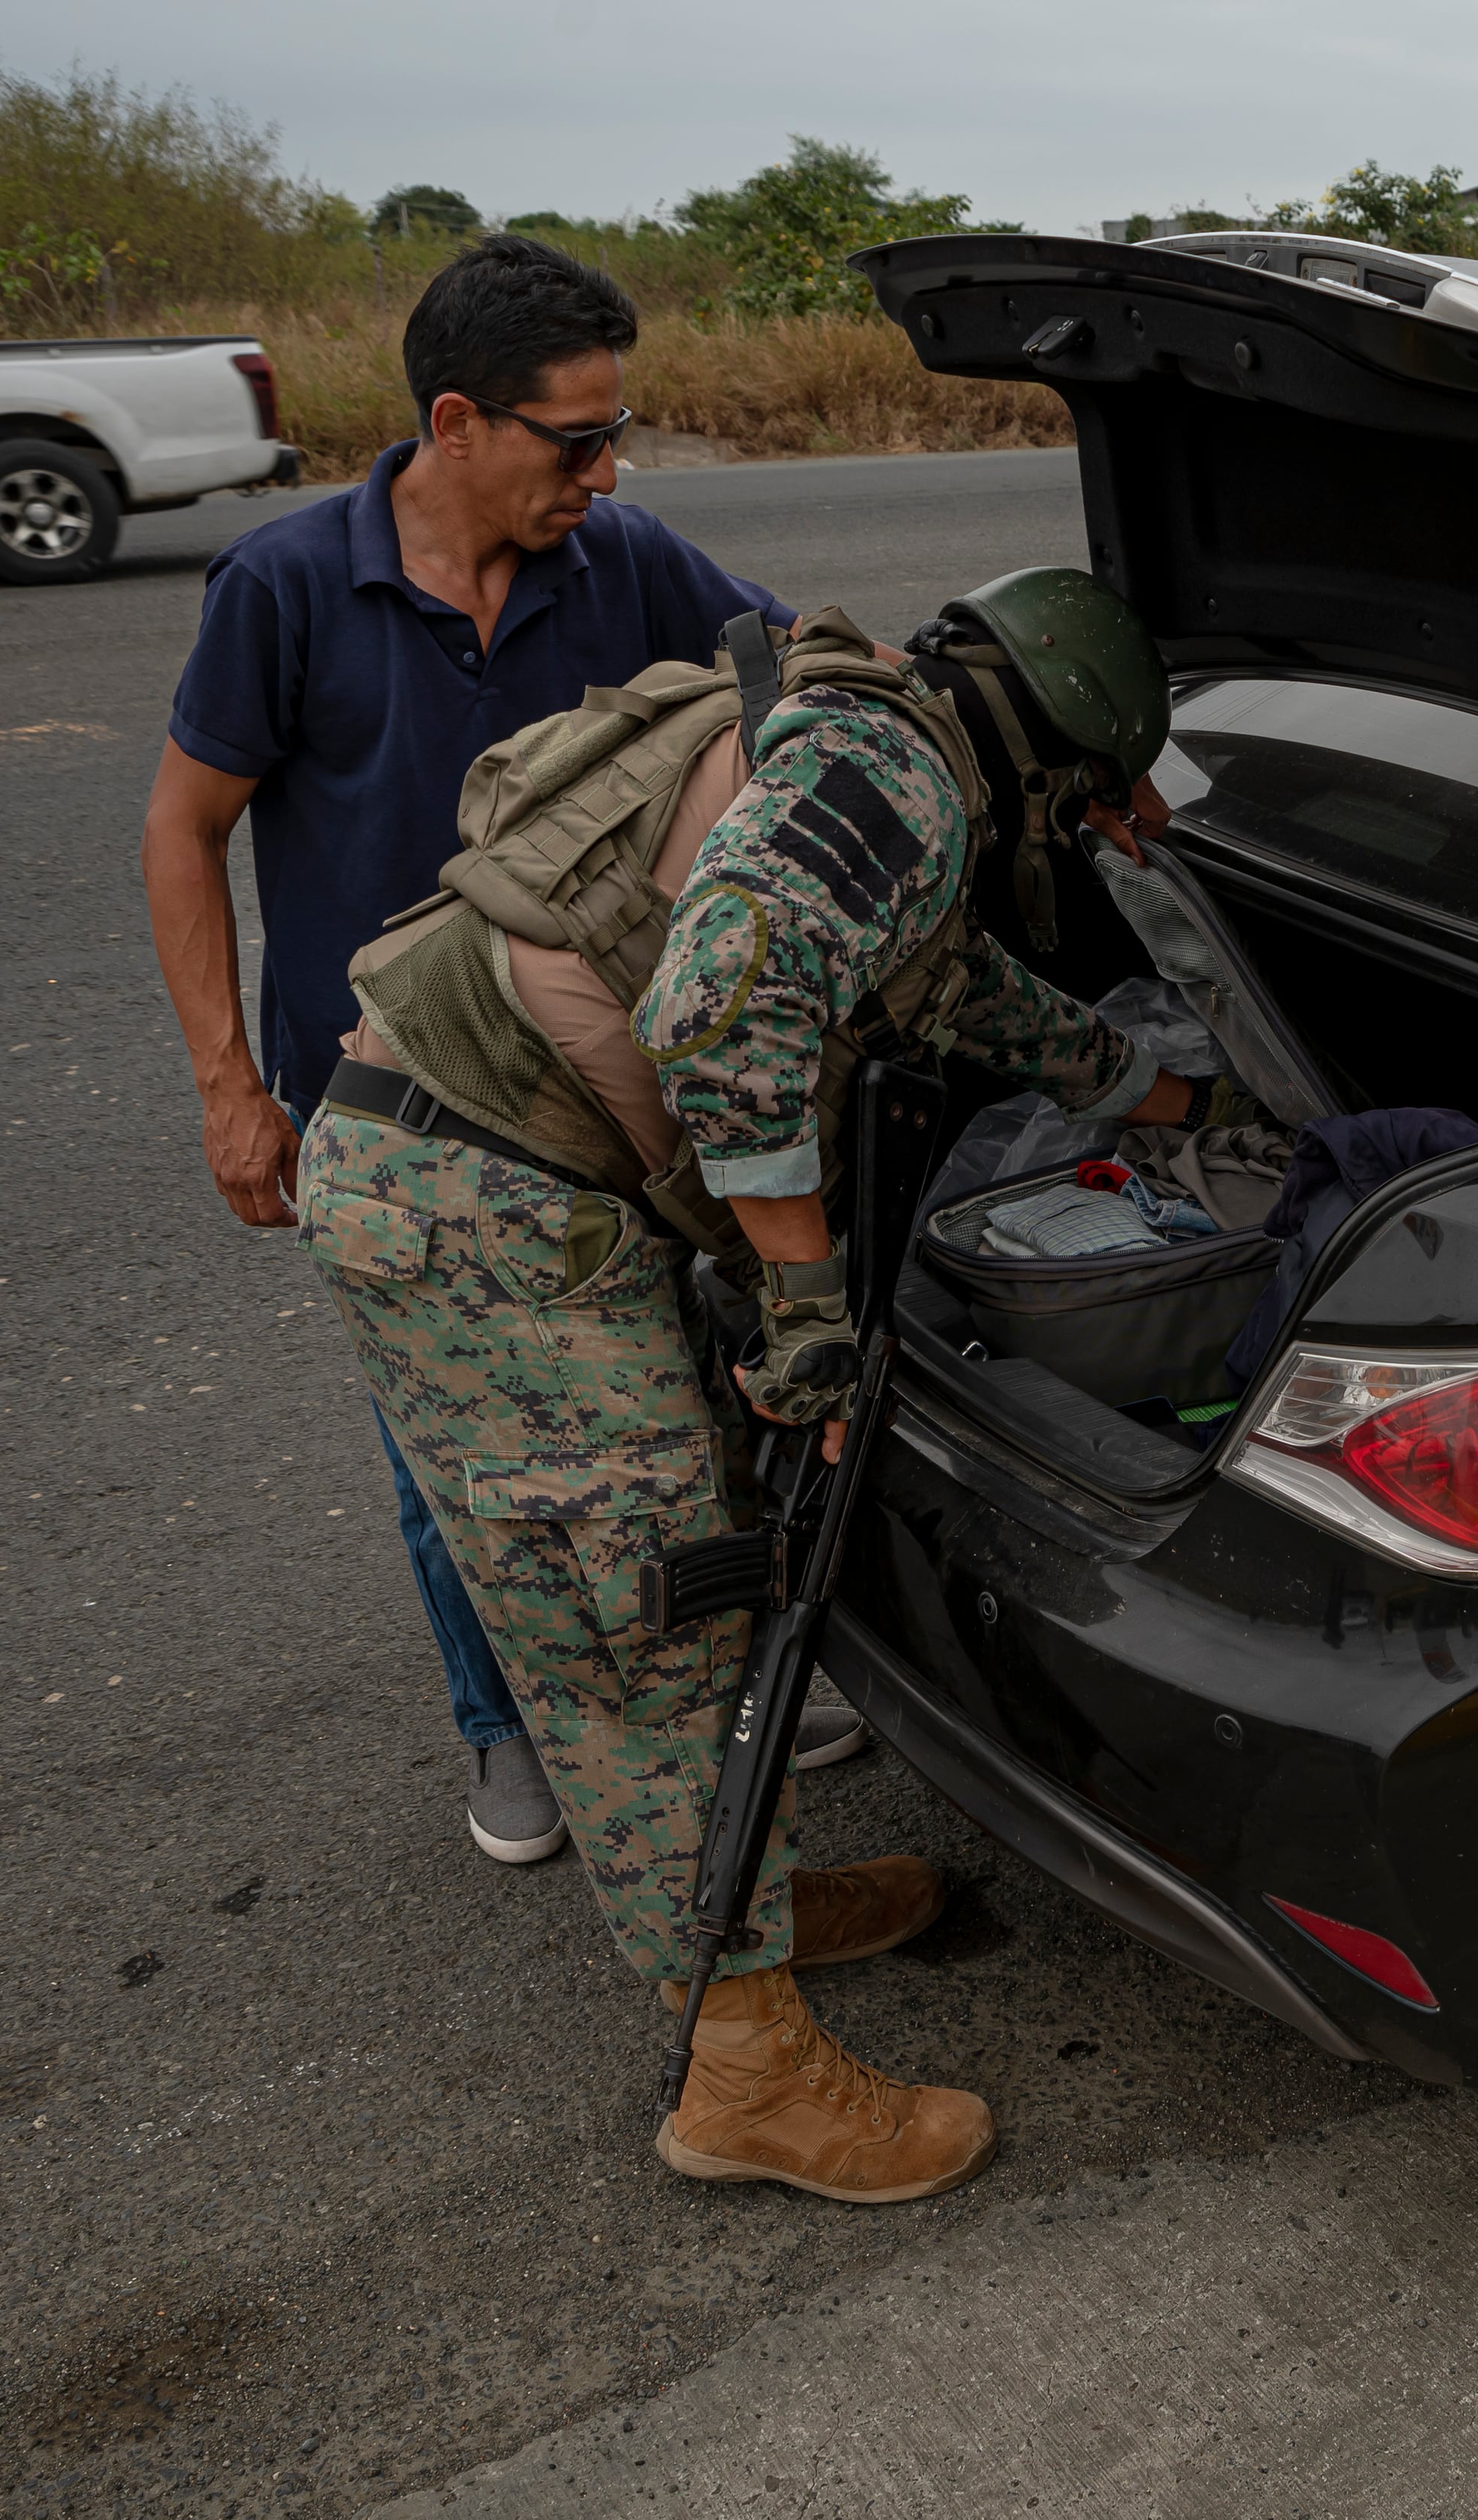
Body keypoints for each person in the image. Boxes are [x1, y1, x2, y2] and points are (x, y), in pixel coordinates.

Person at [300, 565, 1197, 2202]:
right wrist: (805, 1310)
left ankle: (753, 1902)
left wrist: (1150, 1086)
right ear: (1053, 752)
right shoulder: (901, 779)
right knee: (649, 1619)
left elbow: (931, 984)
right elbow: (719, 1016)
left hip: (488, 1179)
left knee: (712, 1571)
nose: (1089, 830)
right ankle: (747, 2073)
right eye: (1093, 800)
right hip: (480, 1210)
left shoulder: (864, 734)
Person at [143, 231, 862, 1871]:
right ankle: (506, 1727)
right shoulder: (285, 587)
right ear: (456, 421)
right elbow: (181, 835)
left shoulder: (627, 560)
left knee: (673, 1407)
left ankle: (720, 1678)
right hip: (397, 1116)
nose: (605, 474)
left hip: (606, 1105)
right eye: (576, 440)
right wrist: (227, 1092)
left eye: (619, 436)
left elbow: (802, 673)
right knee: (450, 1454)